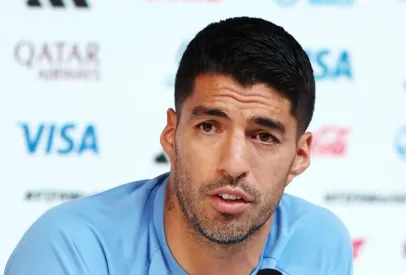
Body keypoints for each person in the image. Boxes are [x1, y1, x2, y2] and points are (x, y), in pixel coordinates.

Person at [4, 16, 353, 275]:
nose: (233, 165)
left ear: (300, 155)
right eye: (209, 127)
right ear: (171, 135)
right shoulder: (71, 248)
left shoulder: (321, 242)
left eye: (264, 136)